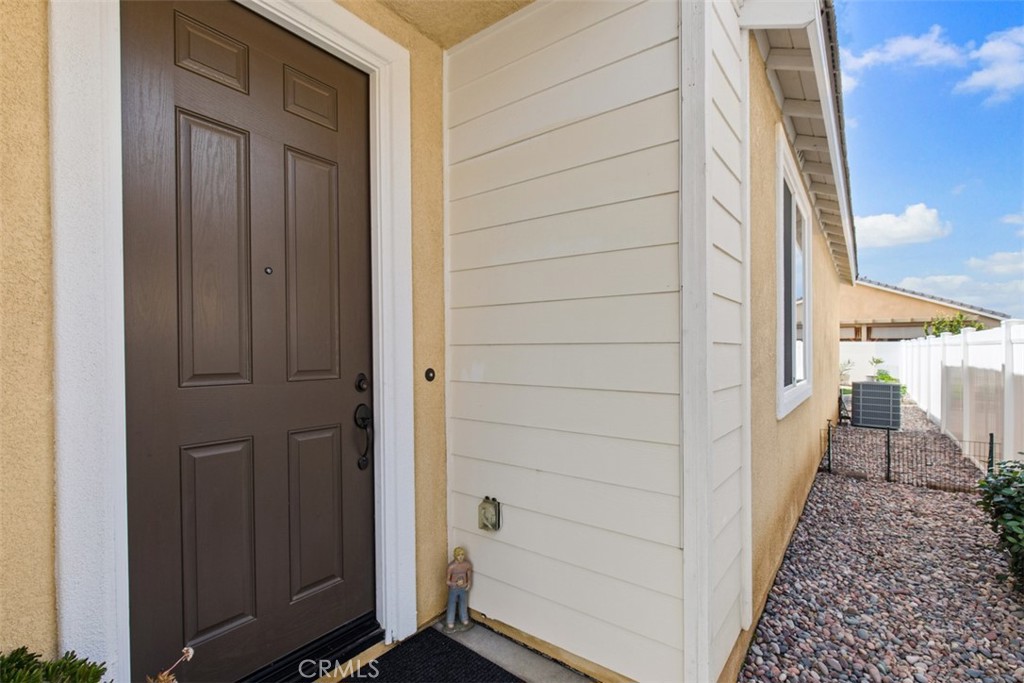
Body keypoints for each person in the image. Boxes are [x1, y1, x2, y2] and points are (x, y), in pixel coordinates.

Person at [445, 546, 472, 631]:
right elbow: (447, 581)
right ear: (455, 556)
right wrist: (455, 583)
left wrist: (468, 584)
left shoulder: (467, 565)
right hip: (454, 588)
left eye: (462, 555)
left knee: (463, 603)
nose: (461, 557)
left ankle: (464, 619)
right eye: (459, 555)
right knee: (452, 603)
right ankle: (450, 621)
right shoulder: (451, 567)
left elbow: (469, 577)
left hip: (463, 588)